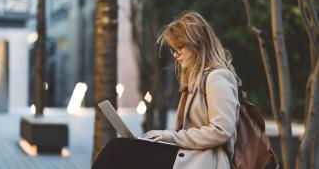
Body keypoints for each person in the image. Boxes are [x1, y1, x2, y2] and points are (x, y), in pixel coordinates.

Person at [92, 11, 241, 169]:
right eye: (173, 49)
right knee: (120, 149)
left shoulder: (218, 77)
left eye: (180, 47)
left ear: (198, 43)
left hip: (206, 161)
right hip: (189, 156)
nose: (176, 55)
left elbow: (222, 131)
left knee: (118, 149)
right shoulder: (196, 80)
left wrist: (169, 136)